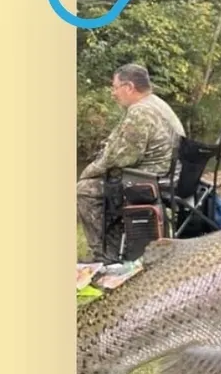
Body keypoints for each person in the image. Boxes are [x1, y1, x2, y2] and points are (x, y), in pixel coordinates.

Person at [76, 63, 185, 261]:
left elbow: (121, 157)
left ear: (129, 87)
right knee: (103, 183)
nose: (113, 93)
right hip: (174, 175)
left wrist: (88, 172)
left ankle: (104, 254)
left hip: (153, 180)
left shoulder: (139, 112)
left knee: (85, 190)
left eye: (115, 87)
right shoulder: (157, 103)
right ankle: (119, 245)